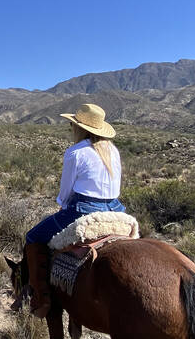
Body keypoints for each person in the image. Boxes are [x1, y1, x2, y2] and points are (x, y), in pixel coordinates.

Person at [24, 103, 124, 318]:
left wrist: (62, 207)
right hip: (116, 207)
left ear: (80, 128)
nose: (71, 129)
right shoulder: (112, 150)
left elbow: (66, 193)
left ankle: (40, 298)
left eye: (72, 125)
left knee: (32, 237)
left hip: (84, 208)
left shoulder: (76, 152)